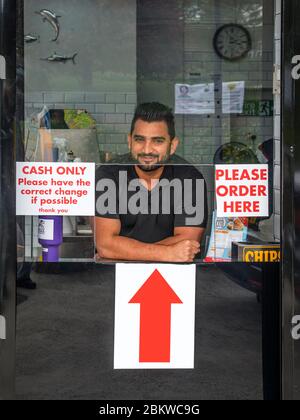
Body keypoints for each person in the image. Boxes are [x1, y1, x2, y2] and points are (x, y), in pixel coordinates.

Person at [95, 102, 208, 263]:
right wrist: (167, 253)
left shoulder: (189, 178)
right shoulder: (109, 175)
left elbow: (188, 243)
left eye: (157, 141)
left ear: (173, 145)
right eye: (140, 140)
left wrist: (121, 251)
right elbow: (106, 245)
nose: (147, 150)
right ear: (129, 141)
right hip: (113, 275)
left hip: (173, 278)